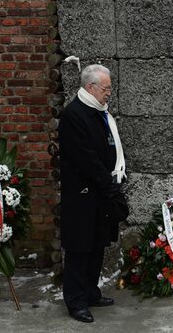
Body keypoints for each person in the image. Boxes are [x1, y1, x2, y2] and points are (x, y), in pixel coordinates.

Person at [58, 64, 128, 323]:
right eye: (106, 89)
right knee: (80, 249)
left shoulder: (99, 113)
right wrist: (108, 184)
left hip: (99, 193)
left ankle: (90, 293)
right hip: (82, 195)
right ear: (90, 87)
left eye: (110, 88)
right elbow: (86, 158)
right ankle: (75, 302)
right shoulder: (74, 115)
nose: (109, 93)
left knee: (97, 245)